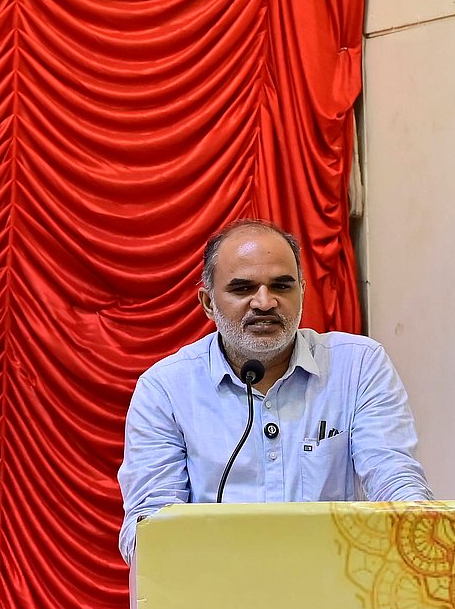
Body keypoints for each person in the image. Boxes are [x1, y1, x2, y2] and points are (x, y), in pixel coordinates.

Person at [118, 219, 432, 561]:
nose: (265, 302)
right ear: (208, 303)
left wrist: (420, 535)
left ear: (302, 292)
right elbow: (151, 523)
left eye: (282, 286)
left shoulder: (357, 366)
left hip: (335, 590)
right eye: (243, 289)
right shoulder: (166, 388)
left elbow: (394, 477)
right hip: (216, 595)